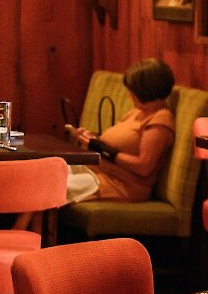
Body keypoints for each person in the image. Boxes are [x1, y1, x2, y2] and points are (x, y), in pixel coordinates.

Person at [63, 58, 179, 203]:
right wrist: (91, 140)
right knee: (46, 173)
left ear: (146, 90)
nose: (130, 94)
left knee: (53, 186)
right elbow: (113, 145)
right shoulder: (137, 112)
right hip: (96, 170)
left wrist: (101, 148)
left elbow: (144, 167)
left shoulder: (160, 120)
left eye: (133, 90)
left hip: (120, 183)